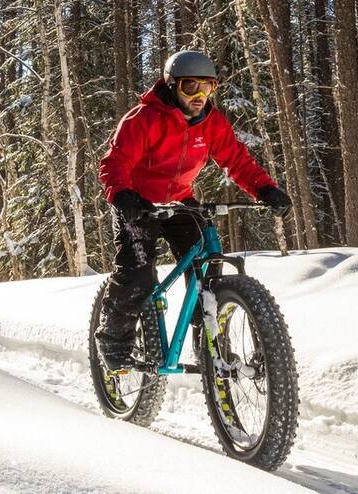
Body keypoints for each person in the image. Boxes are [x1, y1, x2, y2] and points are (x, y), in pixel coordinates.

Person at [95, 50, 292, 370]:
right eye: (190, 87)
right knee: (138, 275)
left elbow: (237, 160)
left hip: (180, 201)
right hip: (138, 202)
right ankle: (114, 344)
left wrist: (265, 189)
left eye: (208, 87)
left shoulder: (211, 123)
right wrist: (123, 196)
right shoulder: (143, 119)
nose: (200, 96)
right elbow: (115, 163)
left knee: (207, 269)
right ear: (172, 86)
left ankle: (210, 344)